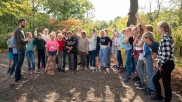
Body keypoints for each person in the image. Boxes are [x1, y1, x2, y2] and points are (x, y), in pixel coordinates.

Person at [153, 21, 175, 102]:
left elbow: (166, 55)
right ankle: (159, 98)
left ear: (162, 28)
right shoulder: (165, 38)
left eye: (157, 27)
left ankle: (165, 100)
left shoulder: (165, 39)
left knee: (166, 85)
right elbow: (163, 54)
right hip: (166, 64)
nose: (156, 29)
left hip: (166, 64)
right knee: (155, 79)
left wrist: (159, 64)